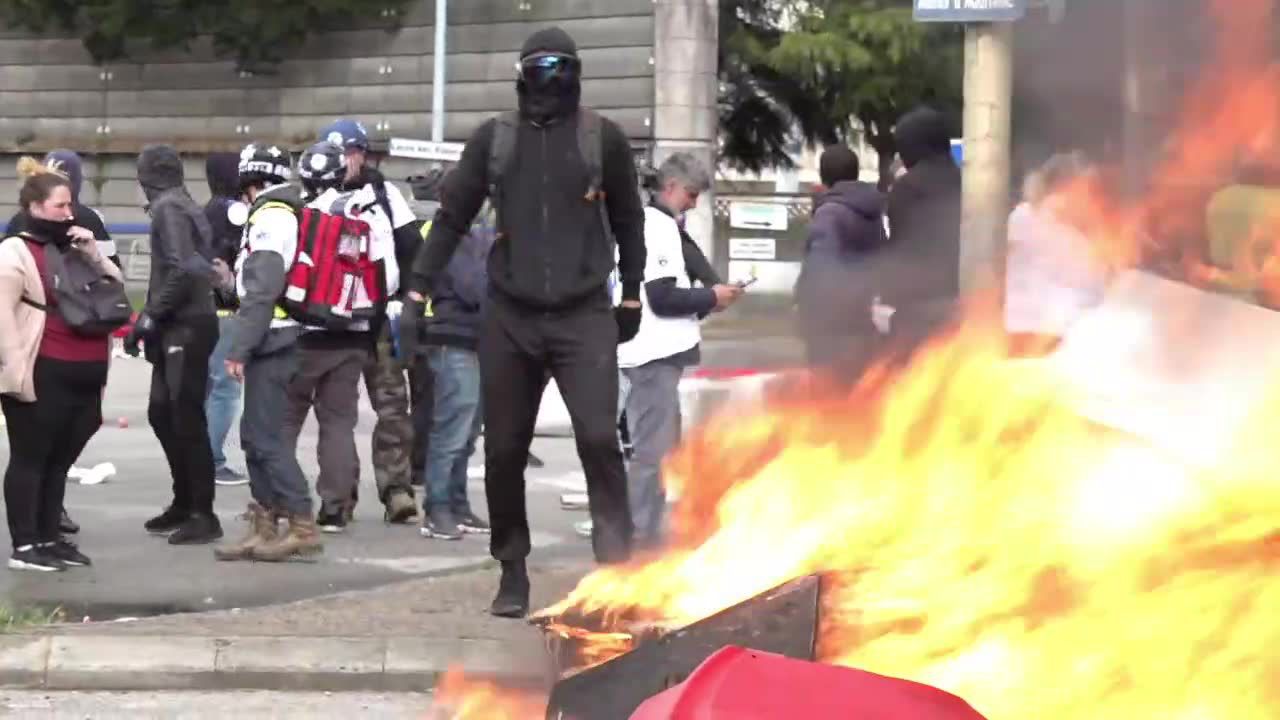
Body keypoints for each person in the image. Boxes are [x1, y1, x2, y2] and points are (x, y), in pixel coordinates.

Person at [409, 26, 646, 618]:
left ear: (576, 74)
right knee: (505, 450)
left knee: (598, 439)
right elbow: (452, 219)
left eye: (561, 67)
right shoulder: (495, 140)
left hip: (584, 312)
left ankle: (616, 569)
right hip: (510, 316)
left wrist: (633, 295)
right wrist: (415, 294)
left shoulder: (603, 139)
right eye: (539, 67)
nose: (550, 79)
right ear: (521, 75)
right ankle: (511, 569)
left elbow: (629, 219)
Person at [0, 158, 121, 570]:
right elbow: (3, 319)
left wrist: (95, 255)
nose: (69, 213)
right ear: (34, 207)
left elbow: (115, 294)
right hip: (42, 370)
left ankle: (51, 537)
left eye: (70, 205)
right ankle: (26, 544)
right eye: (60, 206)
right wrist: (16, 376)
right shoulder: (14, 251)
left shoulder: (76, 247)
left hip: (85, 373)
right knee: (32, 458)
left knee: (60, 460)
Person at [616, 153, 739, 546]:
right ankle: (638, 538)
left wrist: (709, 298)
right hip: (651, 355)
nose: (694, 202)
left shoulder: (659, 225)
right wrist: (709, 295)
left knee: (659, 450)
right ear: (669, 187)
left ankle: (643, 532)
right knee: (653, 453)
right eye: (690, 193)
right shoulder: (657, 228)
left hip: (654, 354)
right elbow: (662, 297)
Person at [282, 141, 398, 535]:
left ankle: (281, 503)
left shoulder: (297, 214)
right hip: (352, 337)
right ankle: (336, 508)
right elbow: (388, 278)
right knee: (338, 425)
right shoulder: (369, 214)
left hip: (301, 334)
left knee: (283, 424)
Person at [214, 142, 321, 562]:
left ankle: (301, 524)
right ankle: (266, 523)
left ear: (249, 181)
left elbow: (262, 290)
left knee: (267, 439)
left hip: (273, 339)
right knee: (255, 437)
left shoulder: (271, 217)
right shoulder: (280, 212)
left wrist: (239, 348)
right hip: (274, 336)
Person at [319, 118, 422, 525]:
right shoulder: (317, 195)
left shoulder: (383, 193)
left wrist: (408, 299)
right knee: (337, 414)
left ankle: (396, 490)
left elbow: (414, 247)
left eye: (351, 152)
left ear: (362, 153)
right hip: (336, 322)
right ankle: (337, 498)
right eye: (337, 154)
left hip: (380, 317)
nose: (345, 162)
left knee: (393, 407)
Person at [123, 144, 224, 545]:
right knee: (163, 412)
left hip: (186, 324)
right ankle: (185, 501)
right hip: (181, 323)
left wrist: (149, 316)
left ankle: (202, 511)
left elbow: (181, 269)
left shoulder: (169, 208)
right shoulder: (181, 203)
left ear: (147, 177)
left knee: (184, 415)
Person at [417, 183, 494, 541]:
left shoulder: (477, 236)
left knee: (467, 432)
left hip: (477, 340)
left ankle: (458, 505)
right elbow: (472, 286)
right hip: (454, 339)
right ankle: (437, 509)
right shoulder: (451, 238)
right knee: (451, 430)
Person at [877, 106, 962, 361]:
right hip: (964, 301)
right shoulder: (967, 182)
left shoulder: (907, 188)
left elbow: (901, 246)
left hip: (919, 304)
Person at [794, 145, 886, 379]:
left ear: (823, 176)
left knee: (829, 401)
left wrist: (805, 310)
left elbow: (821, 271)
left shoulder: (830, 214)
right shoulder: (871, 212)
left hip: (832, 328)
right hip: (863, 320)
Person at [1004, 152, 1109, 356]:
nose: (1091, 197)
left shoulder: (1071, 231)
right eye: (1086, 189)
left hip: (1054, 333)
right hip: (1044, 336)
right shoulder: (1030, 219)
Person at [203, 152, 249, 486]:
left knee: (211, 381)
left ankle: (204, 455)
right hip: (226, 295)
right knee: (226, 382)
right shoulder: (234, 210)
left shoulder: (208, 209)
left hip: (206, 298)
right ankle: (213, 460)